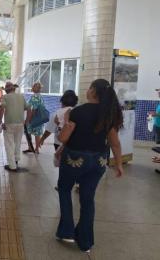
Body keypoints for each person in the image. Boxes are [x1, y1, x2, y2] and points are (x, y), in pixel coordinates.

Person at [56, 79, 123, 253]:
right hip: (99, 160)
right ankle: (85, 241)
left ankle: (67, 231)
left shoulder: (77, 111)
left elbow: (64, 138)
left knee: (64, 189)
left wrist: (66, 121)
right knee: (87, 198)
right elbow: (114, 143)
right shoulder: (108, 114)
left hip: (75, 158)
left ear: (93, 91)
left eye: (89, 87)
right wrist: (119, 164)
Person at [0, 81, 30, 171]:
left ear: (6, 90)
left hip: (9, 123)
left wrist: (1, 121)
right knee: (17, 143)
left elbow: (2, 108)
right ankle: (16, 160)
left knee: (9, 144)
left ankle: (12, 166)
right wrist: (26, 121)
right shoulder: (21, 96)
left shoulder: (5, 97)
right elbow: (29, 108)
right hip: (20, 123)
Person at [27, 83, 45, 154]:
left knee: (30, 132)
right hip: (40, 117)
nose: (32, 88)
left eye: (33, 87)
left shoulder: (35, 97)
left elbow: (34, 109)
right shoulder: (40, 96)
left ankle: (33, 148)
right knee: (37, 133)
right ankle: (36, 148)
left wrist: (29, 119)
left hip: (35, 117)